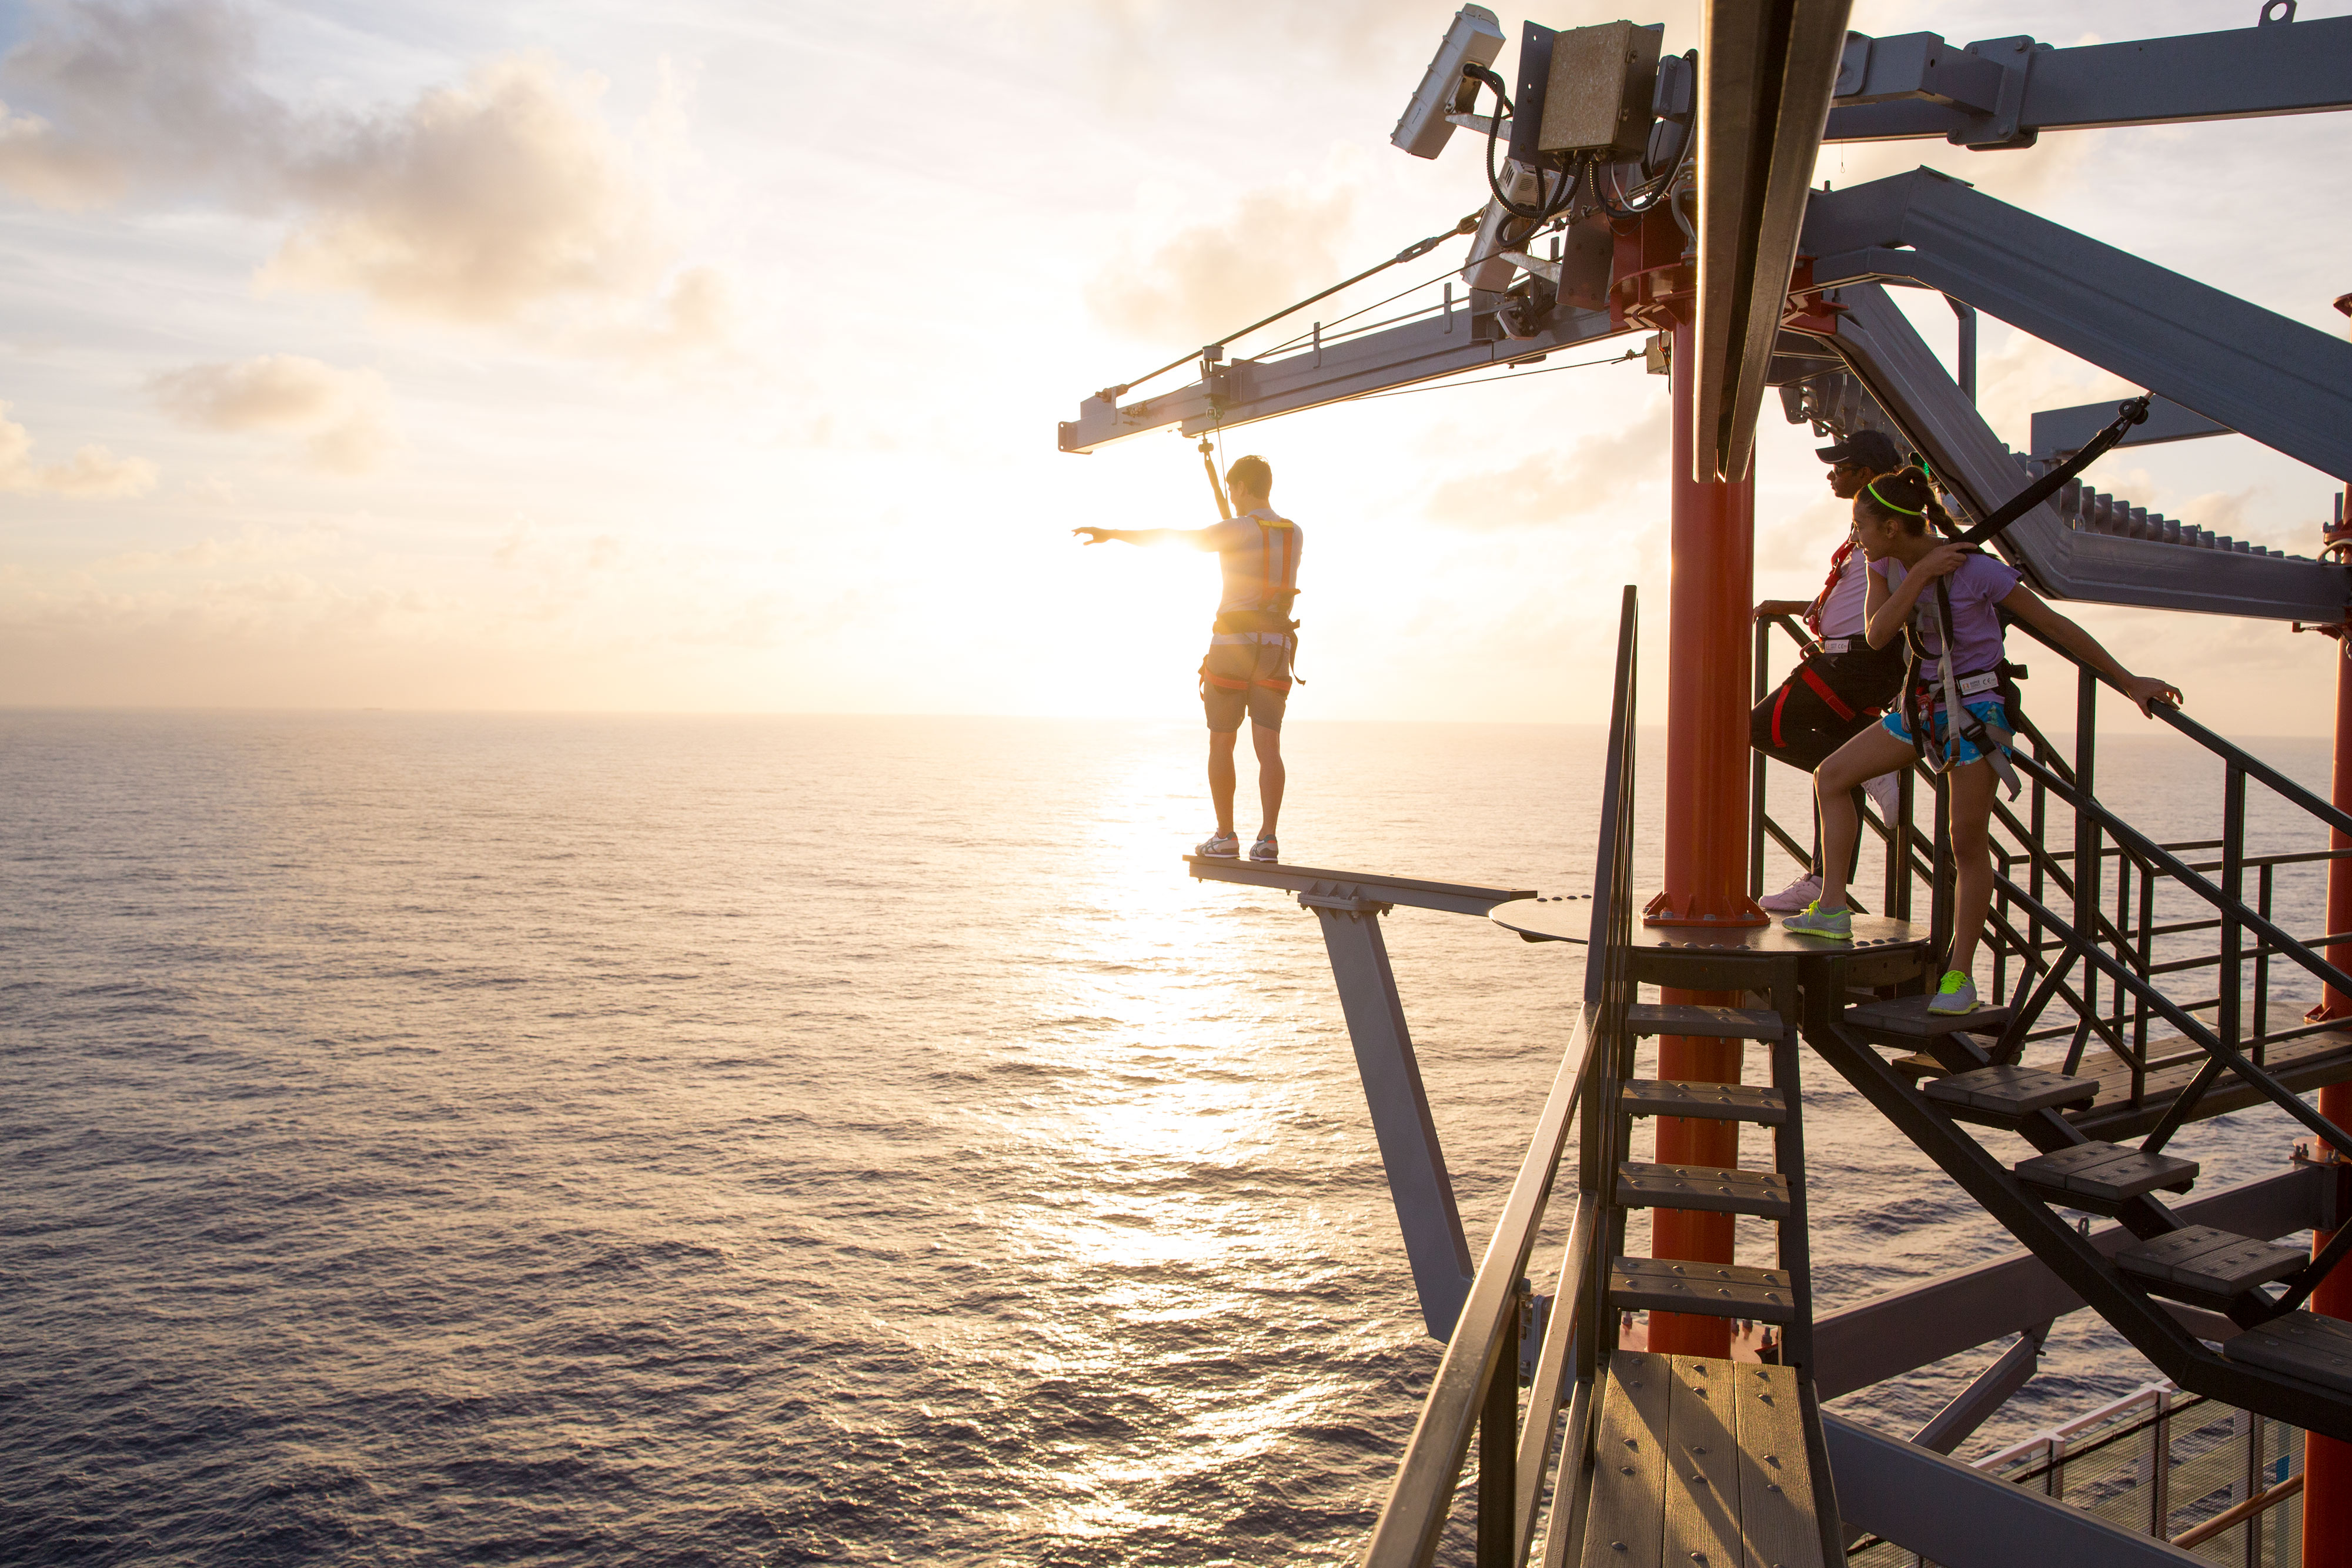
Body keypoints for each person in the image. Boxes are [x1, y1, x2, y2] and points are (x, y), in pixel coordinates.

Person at [1782, 466, 2182, 1015]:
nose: (1856, 538)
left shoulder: (1979, 573)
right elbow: (1876, 634)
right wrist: (1920, 576)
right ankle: (1831, 908)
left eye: (1860, 526)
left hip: (1975, 711)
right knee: (1832, 775)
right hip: (1919, 708)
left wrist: (2129, 681)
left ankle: (1960, 975)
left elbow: (2058, 627)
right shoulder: (1886, 563)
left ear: (1893, 527)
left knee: (1966, 841)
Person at [1073, 454, 1302, 863]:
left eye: (1233, 490)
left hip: (1233, 644)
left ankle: (1225, 835)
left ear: (1243, 487)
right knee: (1269, 746)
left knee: (1222, 740)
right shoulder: (1294, 532)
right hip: (1276, 647)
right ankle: (1268, 838)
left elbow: (1175, 537)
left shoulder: (1237, 528)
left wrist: (1113, 533)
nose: (1231, 497)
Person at [1753, 426, 1910, 912]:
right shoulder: (1866, 526)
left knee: (1760, 726)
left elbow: (1908, 596)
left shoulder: (1892, 530)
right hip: (1845, 653)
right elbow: (1851, 599)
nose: (1830, 474)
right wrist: (1797, 604)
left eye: (1840, 467)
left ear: (1865, 473)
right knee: (1840, 767)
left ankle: (1869, 772)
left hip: (1859, 659)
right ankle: (1825, 883)